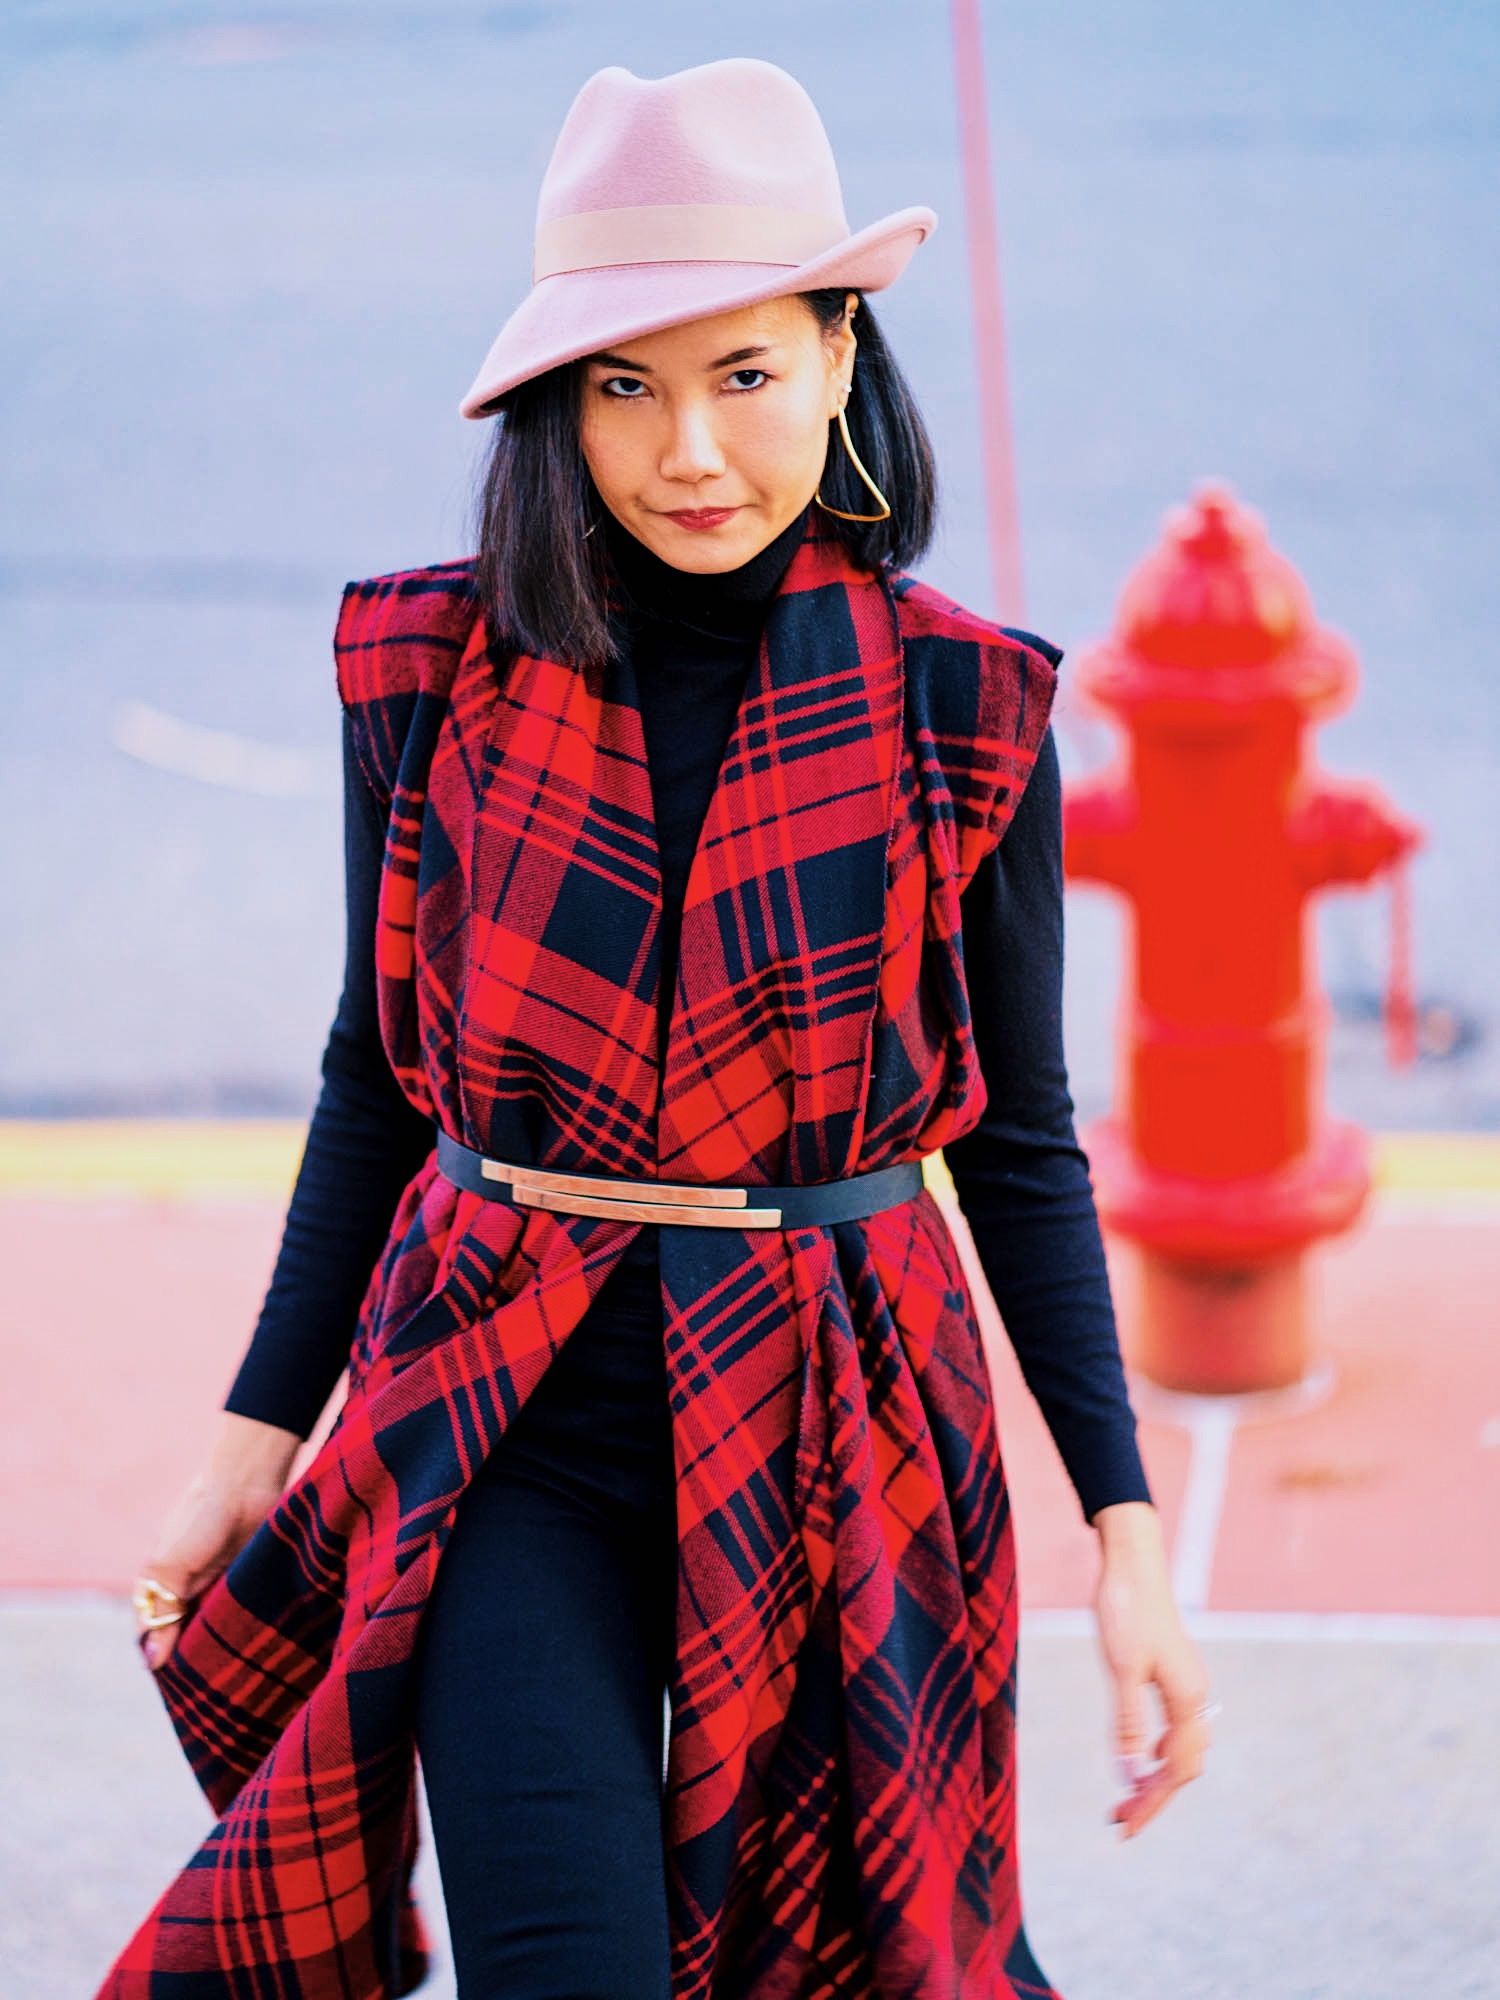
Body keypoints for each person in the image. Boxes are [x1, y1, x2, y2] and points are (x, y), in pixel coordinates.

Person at [107, 56, 1214, 2000]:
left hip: (844, 1425)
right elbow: (377, 1068)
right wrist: (245, 1441)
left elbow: (1020, 1146)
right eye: (625, 385)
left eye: (746, 375)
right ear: (557, 400)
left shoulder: (969, 709)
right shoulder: (432, 665)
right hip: (503, 1405)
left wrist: (1125, 1534)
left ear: (841, 349)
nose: (689, 448)